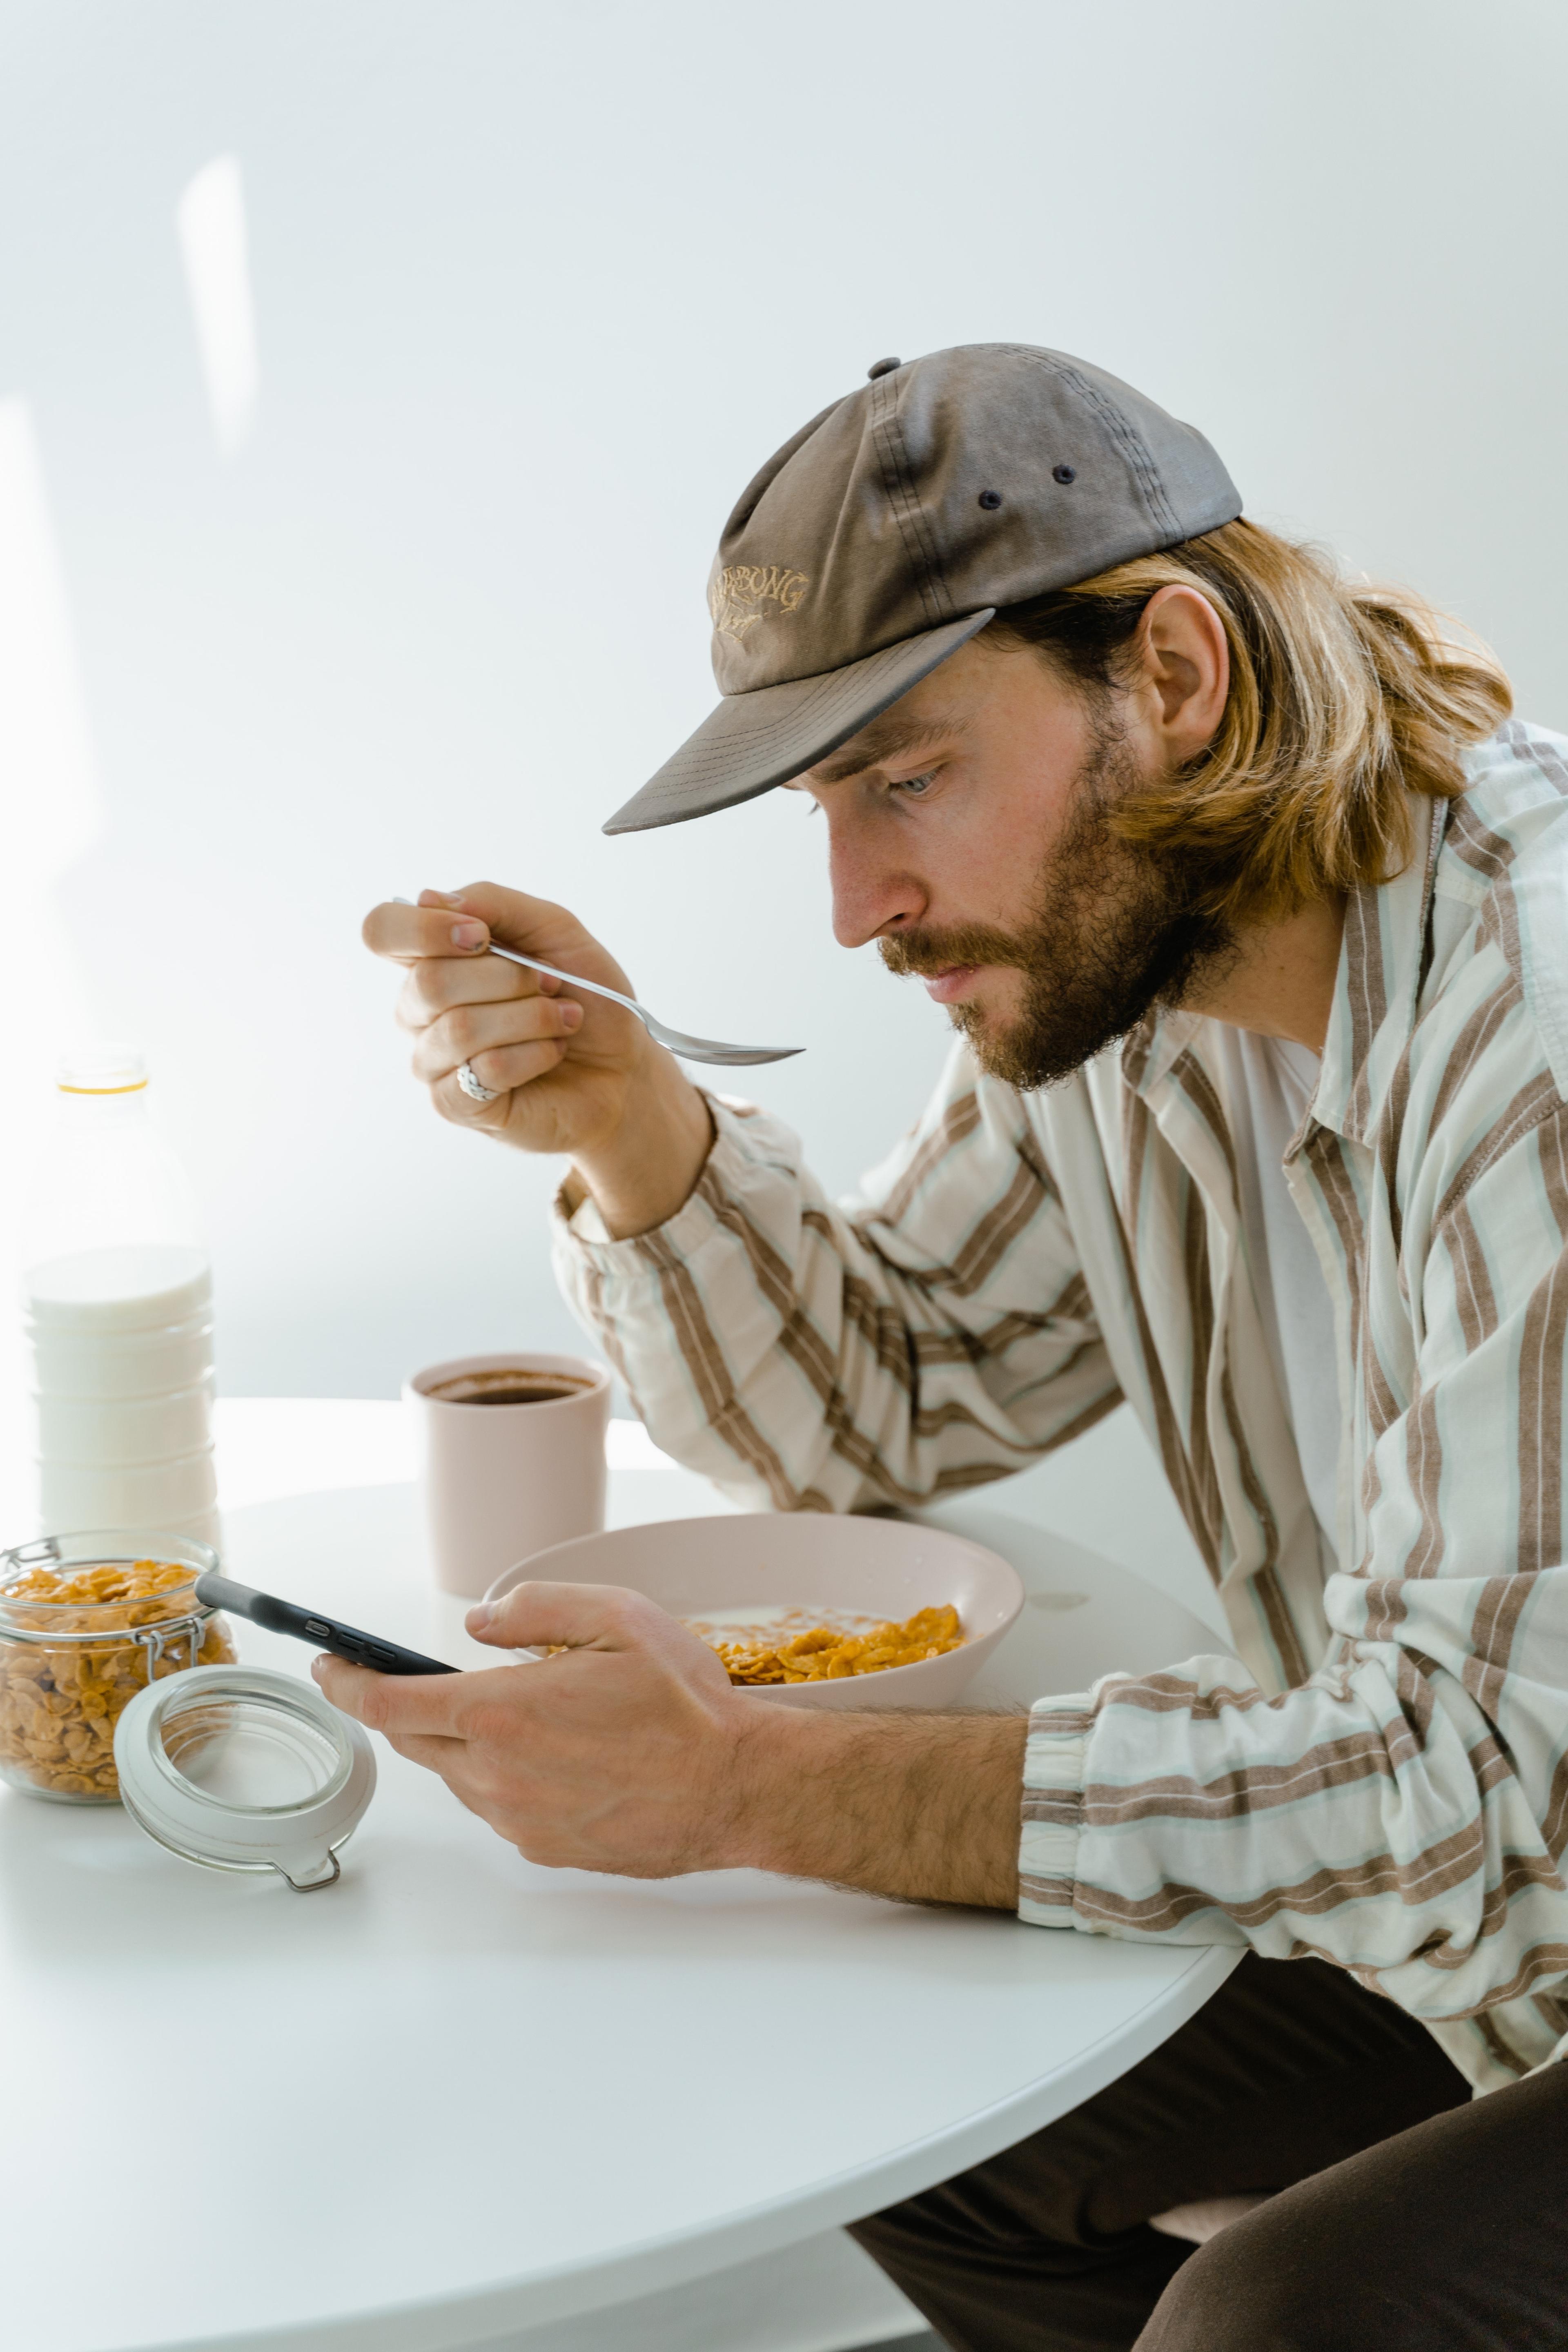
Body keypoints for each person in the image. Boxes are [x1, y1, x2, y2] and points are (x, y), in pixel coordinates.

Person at [336, 347, 1568, 2351]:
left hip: (1531, 1886)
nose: (857, 907)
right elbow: (900, 1392)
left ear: (1172, 676)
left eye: (907, 780)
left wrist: (759, 1788)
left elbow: (1492, 1806)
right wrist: (635, 1127)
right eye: (828, 806)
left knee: (1286, 2315)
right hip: (1475, 1906)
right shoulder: (1140, 977)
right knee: (917, 2119)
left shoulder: (1533, 1032)